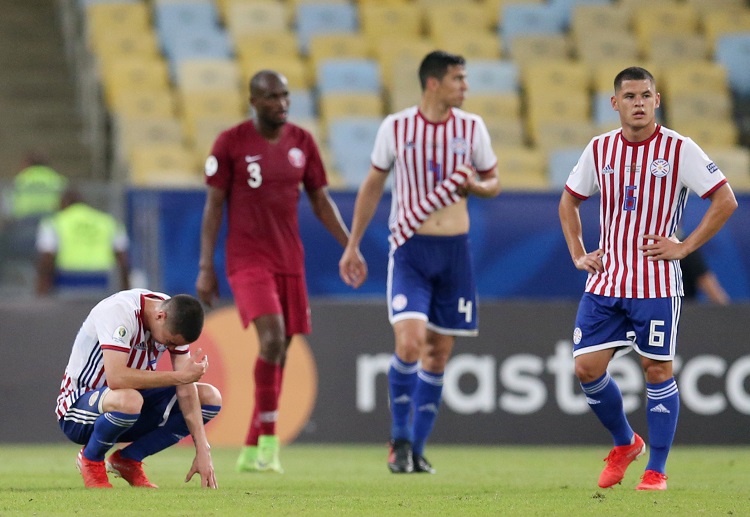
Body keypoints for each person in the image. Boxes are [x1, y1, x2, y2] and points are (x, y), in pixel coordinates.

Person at [558, 66, 737, 491]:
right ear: (614, 103)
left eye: (646, 96)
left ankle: (656, 469)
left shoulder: (679, 149)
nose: (638, 103)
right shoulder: (599, 149)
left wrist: (684, 247)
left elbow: (724, 200)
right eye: (630, 96)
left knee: (656, 370)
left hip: (655, 285)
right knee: (585, 368)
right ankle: (625, 443)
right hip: (606, 282)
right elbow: (568, 203)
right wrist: (579, 254)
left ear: (657, 101)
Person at [339, 50, 501, 474]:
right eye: (458, 79)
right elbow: (373, 185)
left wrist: (475, 187)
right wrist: (353, 243)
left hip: (455, 252)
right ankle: (400, 440)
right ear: (433, 83)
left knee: (439, 353)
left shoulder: (473, 127)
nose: (465, 87)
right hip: (411, 250)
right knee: (409, 343)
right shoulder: (396, 127)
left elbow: (493, 181)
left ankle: (419, 449)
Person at [195, 70, 356, 474]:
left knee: (281, 349)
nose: (281, 103)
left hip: (289, 260)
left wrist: (350, 245)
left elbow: (320, 201)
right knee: (271, 338)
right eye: (271, 97)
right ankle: (269, 442)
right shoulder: (231, 143)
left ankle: (254, 447)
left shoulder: (302, 142)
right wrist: (205, 266)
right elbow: (214, 206)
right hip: (247, 260)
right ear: (253, 101)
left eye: (285, 95)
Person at [56, 289, 221, 489]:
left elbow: (186, 388)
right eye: (168, 342)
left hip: (128, 412)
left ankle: (128, 460)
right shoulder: (119, 312)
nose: (168, 346)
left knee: (210, 397)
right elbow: (116, 378)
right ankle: (91, 459)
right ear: (160, 316)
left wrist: (203, 449)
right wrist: (179, 377)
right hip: (79, 409)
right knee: (130, 399)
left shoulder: (171, 315)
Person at [35, 187, 130, 296]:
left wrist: (41, 289)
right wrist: (126, 289)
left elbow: (47, 258)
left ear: (63, 203)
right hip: (101, 280)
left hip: (66, 280)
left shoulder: (53, 223)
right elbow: (123, 259)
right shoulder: (108, 222)